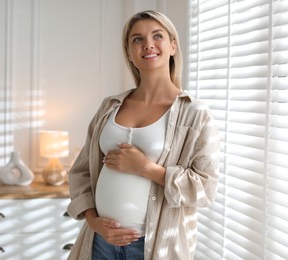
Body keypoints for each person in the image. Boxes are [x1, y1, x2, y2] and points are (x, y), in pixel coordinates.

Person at [67, 10, 220, 260]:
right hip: (100, 243)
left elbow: (205, 187)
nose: (147, 44)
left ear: (172, 45)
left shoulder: (194, 113)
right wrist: (94, 222)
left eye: (157, 36)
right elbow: (81, 172)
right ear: (129, 52)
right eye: (137, 39)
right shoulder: (110, 106)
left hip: (153, 248)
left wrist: (146, 168)